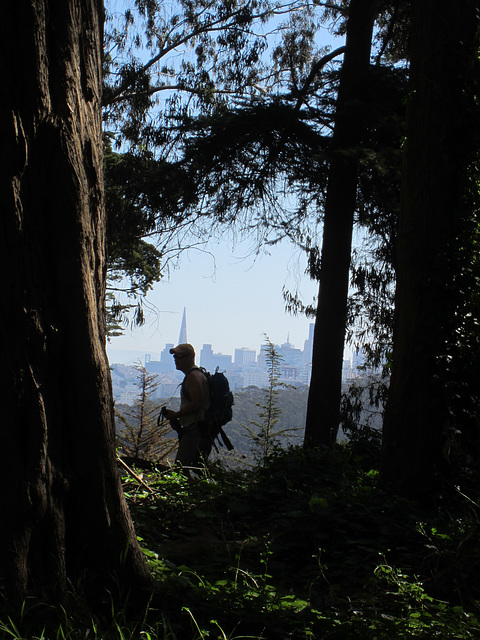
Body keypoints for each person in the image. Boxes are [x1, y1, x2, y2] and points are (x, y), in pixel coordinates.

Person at [162, 343, 212, 474]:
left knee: (181, 468)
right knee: (199, 466)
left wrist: (176, 415)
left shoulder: (193, 377)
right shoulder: (195, 375)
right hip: (197, 428)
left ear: (191, 357)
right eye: (175, 357)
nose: (176, 360)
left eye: (180, 356)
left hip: (195, 429)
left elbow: (197, 404)